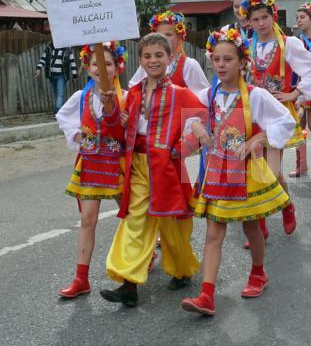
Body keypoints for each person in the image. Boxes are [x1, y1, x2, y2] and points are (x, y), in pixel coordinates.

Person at [181, 29, 295, 316]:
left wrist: (257, 139)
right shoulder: (209, 93)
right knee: (213, 234)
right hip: (218, 172)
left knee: (251, 227)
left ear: (242, 62)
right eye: (216, 59)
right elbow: (189, 113)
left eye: (227, 59)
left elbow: (286, 120)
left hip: (246, 173)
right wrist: (196, 127)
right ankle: (206, 295)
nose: (220, 64)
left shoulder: (256, 96)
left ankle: (258, 273)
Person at [100, 33, 204, 307]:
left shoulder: (180, 94)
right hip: (138, 166)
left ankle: (182, 269)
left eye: (159, 55)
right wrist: (113, 112)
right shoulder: (133, 93)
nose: (153, 60)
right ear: (141, 60)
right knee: (136, 220)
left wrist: (181, 149)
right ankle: (128, 283)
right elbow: (117, 132)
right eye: (147, 56)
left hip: (168, 168)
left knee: (173, 226)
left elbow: (203, 120)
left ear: (170, 58)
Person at [239, 0, 311, 236]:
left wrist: (296, 93)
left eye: (264, 17)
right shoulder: (246, 46)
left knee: (273, 173)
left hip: (275, 115)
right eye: (255, 20)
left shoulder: (289, 44)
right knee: (254, 172)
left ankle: (286, 205)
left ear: (273, 16)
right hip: (252, 114)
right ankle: (260, 223)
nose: (260, 24)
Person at [55, 42, 127, 299]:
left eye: (108, 63)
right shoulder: (81, 97)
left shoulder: (124, 97)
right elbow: (63, 116)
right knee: (88, 219)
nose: (102, 68)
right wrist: (76, 134)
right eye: (96, 63)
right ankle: (81, 278)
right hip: (90, 163)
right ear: (87, 67)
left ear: (117, 68)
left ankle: (142, 254)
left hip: (116, 164)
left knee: (127, 214)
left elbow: (135, 130)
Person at [129, 11, 210, 93]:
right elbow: (133, 90)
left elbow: (202, 97)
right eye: (159, 35)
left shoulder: (189, 65)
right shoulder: (149, 64)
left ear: (179, 37)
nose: (163, 39)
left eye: (168, 34)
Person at [289, 1, 311, 178]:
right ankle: (301, 165)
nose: (299, 20)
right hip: (298, 86)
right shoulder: (294, 41)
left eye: (303, 17)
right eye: (297, 18)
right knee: (298, 126)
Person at [35, 42, 78, 114]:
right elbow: (43, 58)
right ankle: (60, 112)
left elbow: (72, 61)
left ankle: (57, 113)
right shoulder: (49, 47)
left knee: (60, 95)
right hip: (51, 75)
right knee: (57, 94)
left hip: (61, 75)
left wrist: (74, 74)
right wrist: (38, 68)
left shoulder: (67, 48)